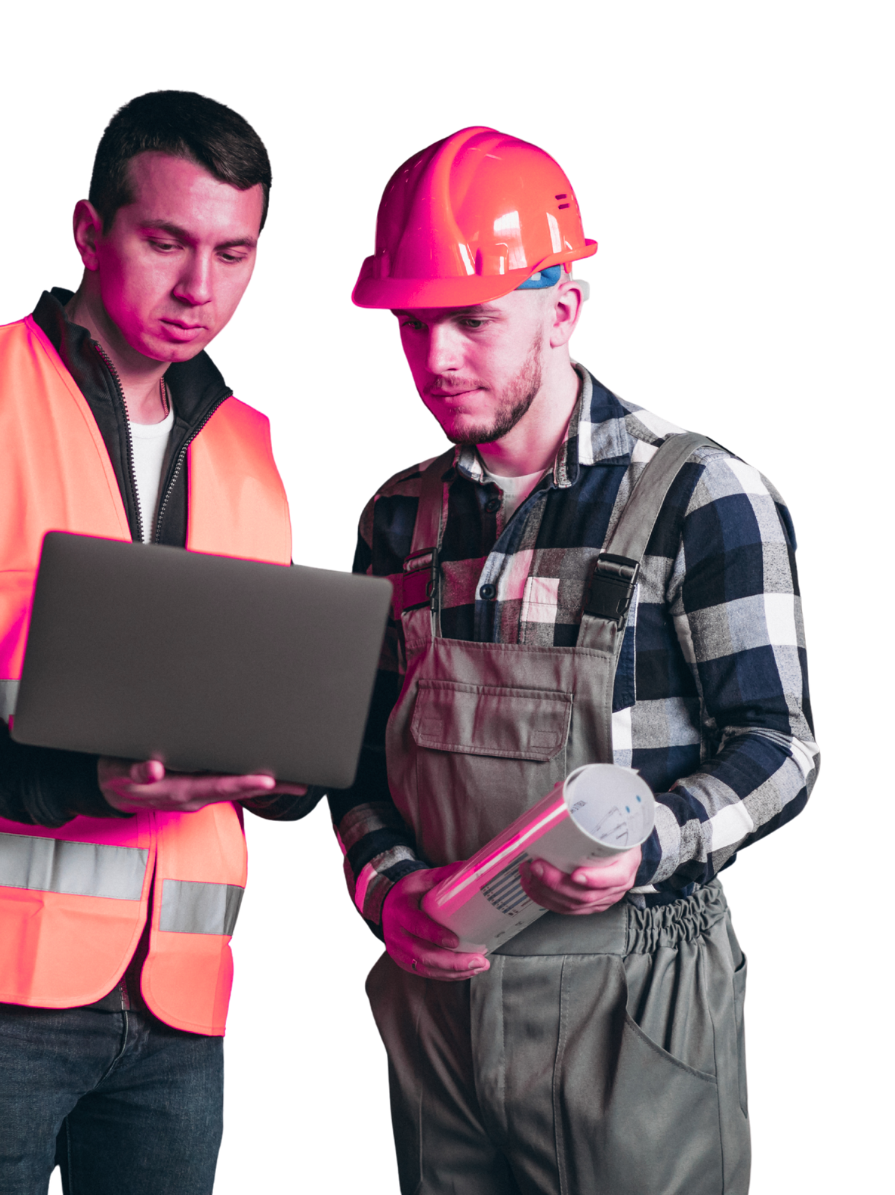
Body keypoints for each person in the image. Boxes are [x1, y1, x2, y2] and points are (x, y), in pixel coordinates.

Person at [0, 90, 323, 1195]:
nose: (200, 287)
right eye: (166, 241)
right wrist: (84, 778)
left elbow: (267, 726)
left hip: (179, 999)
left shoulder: (249, 448)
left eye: (234, 252)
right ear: (90, 233)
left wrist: (291, 774)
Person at [329, 125, 820, 1194]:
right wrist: (387, 888)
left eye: (472, 320)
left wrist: (654, 839)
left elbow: (778, 748)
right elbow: (355, 761)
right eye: (412, 325)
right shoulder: (396, 515)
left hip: (631, 1002)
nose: (437, 358)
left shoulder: (700, 495)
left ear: (563, 310)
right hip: (436, 1007)